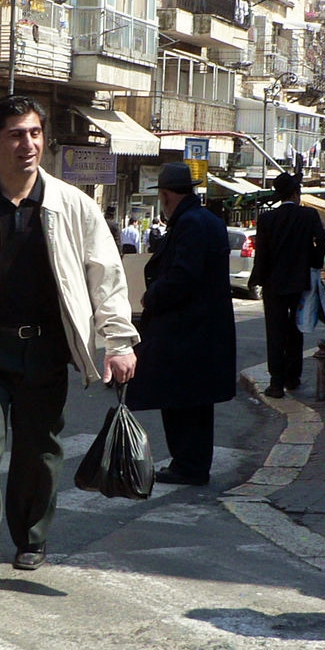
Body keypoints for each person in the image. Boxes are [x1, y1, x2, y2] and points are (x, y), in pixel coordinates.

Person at [0, 94, 138, 606]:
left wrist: (119, 340)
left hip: (46, 350)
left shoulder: (71, 204)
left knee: (39, 452)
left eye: (34, 133)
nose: (27, 144)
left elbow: (106, 274)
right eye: (15, 134)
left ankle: (30, 536)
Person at [126, 162, 235, 486]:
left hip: (186, 330)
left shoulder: (188, 223)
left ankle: (187, 465)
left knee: (179, 401)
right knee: (196, 404)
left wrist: (152, 296)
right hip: (203, 329)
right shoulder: (207, 220)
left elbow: (183, 275)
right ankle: (193, 464)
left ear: (165, 195)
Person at [248, 171, 325, 398]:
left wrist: (258, 278)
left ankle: (276, 382)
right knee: (296, 329)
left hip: (273, 283)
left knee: (275, 331)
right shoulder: (309, 215)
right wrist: (312, 260)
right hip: (299, 281)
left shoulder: (267, 219)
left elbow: (261, 253)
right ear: (296, 193)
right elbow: (322, 240)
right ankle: (293, 377)